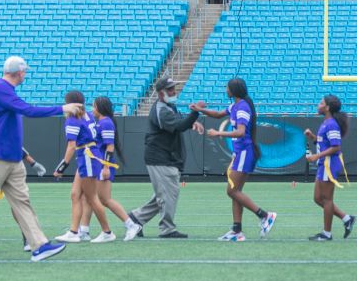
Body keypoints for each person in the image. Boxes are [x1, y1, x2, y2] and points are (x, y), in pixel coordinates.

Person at [0, 56, 84, 263]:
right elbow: (28, 110)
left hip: (10, 159)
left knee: (22, 202)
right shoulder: (1, 88)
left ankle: (39, 246)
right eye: (25, 71)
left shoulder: (5, 90)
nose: (26, 75)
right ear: (19, 72)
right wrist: (62, 108)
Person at [124, 77, 204, 240]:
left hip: (165, 156)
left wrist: (192, 122)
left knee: (165, 194)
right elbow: (179, 126)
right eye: (170, 89)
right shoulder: (162, 109)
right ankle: (166, 229)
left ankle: (136, 218)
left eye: (174, 88)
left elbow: (180, 123)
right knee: (168, 194)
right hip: (161, 157)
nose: (174, 91)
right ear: (161, 94)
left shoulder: (168, 106)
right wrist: (195, 113)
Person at [198, 78, 277, 241]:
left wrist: (219, 133)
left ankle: (264, 215)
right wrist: (199, 109)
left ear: (233, 90)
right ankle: (237, 231)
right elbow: (219, 114)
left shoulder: (242, 108)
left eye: (227, 87)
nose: (225, 89)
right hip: (240, 153)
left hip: (244, 153)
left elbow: (240, 132)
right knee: (236, 192)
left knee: (232, 191)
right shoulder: (235, 105)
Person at [53, 91, 114, 243]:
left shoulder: (73, 119)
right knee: (75, 194)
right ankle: (74, 231)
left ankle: (107, 232)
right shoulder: (86, 114)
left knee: (91, 197)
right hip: (88, 155)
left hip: (86, 156)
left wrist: (61, 167)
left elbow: (72, 146)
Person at [305, 95, 355, 241]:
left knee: (327, 199)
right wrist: (313, 137)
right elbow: (324, 143)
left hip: (329, 164)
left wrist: (316, 156)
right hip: (323, 163)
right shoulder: (326, 122)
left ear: (327, 108)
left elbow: (335, 147)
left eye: (321, 103)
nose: (318, 105)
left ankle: (327, 233)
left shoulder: (331, 124)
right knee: (317, 198)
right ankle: (346, 219)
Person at [91, 96, 131, 231]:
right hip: (98, 165)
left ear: (100, 108)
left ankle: (131, 225)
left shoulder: (106, 123)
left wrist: (106, 166)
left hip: (103, 165)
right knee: (90, 198)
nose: (92, 109)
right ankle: (82, 229)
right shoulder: (100, 122)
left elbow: (110, 146)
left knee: (105, 199)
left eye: (94, 106)